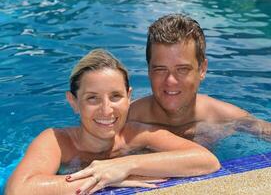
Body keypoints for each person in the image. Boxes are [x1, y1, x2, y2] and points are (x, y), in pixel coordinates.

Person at [5, 49, 220, 195]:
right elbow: (18, 190)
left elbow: (207, 160)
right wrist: (104, 179)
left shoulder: (137, 136)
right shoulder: (57, 141)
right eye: (92, 98)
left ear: (129, 97)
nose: (106, 109)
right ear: (73, 102)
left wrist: (125, 165)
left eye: (116, 96)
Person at [128, 13, 271, 149]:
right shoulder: (126, 118)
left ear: (202, 70)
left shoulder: (224, 117)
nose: (170, 81)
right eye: (160, 69)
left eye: (182, 69)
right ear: (149, 70)